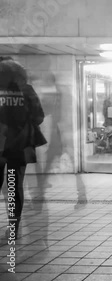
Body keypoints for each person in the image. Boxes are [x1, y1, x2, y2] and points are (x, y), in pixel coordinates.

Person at [0, 58, 46, 239]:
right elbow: (39, 117)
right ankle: (13, 228)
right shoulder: (26, 90)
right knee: (14, 185)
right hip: (18, 146)